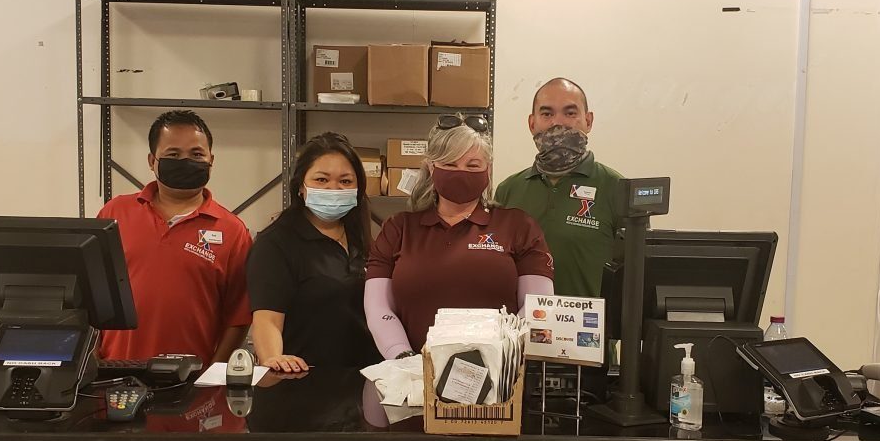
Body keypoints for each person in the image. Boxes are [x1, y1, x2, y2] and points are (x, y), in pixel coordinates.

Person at [365, 115, 555, 359]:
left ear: (488, 169)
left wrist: (497, 358)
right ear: (432, 168)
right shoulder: (398, 229)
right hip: (413, 377)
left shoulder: (519, 227)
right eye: (450, 164)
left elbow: (536, 307)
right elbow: (378, 308)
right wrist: (401, 357)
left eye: (473, 165)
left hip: (498, 378)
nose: (461, 172)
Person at [97, 110, 251, 363]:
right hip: (113, 370)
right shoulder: (114, 213)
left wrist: (211, 375)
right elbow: (92, 294)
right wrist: (92, 359)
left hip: (190, 379)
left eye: (196, 154)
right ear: (151, 160)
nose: (186, 161)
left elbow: (239, 316)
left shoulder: (232, 230)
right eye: (173, 155)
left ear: (211, 159)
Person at [246, 133, 379, 374]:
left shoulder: (362, 238)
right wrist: (274, 359)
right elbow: (267, 319)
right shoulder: (276, 244)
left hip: (362, 381)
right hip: (305, 381)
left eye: (346, 181)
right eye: (321, 179)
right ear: (300, 187)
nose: (334, 189)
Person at [493, 77, 624, 299]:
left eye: (570, 113)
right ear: (532, 123)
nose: (558, 122)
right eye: (547, 114)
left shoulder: (616, 188)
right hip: (524, 328)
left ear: (588, 121)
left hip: (591, 330)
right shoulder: (508, 190)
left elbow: (634, 277)